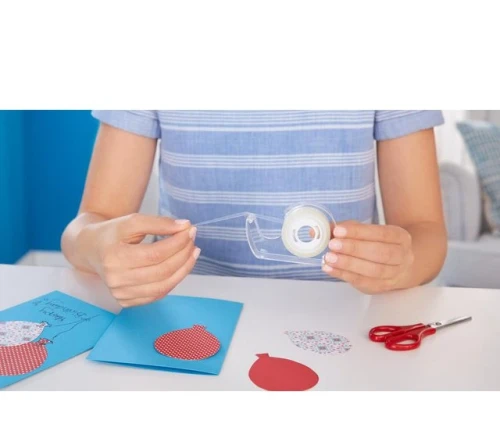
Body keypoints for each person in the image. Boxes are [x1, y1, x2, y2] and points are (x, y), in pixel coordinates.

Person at [61, 111, 447, 307]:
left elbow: (425, 231)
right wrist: (99, 249)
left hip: (346, 318)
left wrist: (403, 264)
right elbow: (84, 228)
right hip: (190, 314)